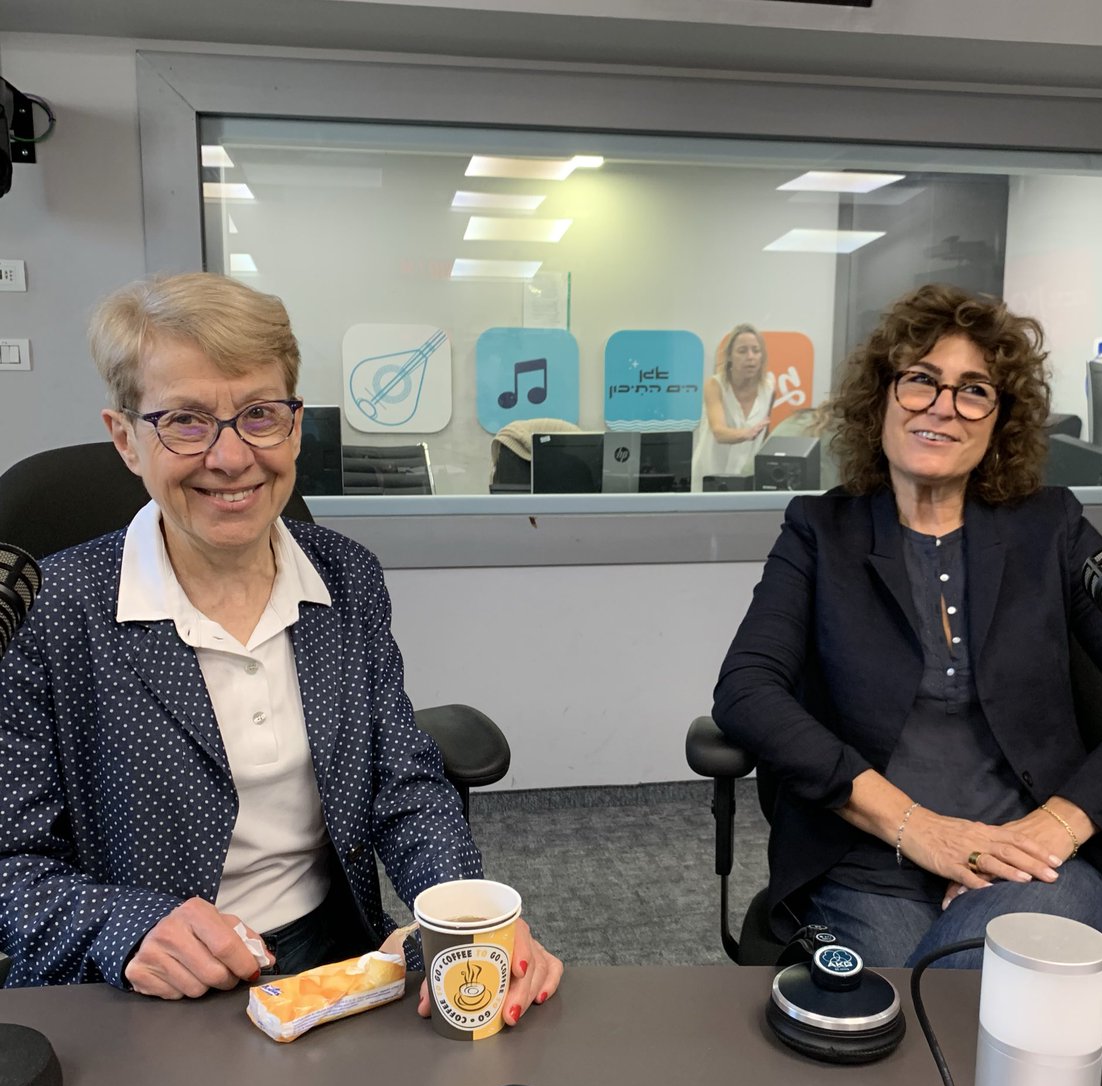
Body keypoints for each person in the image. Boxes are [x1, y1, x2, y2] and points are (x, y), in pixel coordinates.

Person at [0, 272, 563, 1020]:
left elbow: (403, 782)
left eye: (259, 415)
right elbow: (11, 866)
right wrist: (124, 927)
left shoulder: (345, 578)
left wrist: (463, 915)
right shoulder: (49, 611)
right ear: (126, 439)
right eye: (186, 422)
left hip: (331, 957)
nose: (232, 458)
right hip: (144, 981)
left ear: (294, 427)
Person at [712, 284, 1102, 968]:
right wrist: (919, 829)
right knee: (933, 995)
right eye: (921, 380)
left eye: (974, 391)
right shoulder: (820, 531)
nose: (943, 407)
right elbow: (747, 691)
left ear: (999, 420)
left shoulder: (1050, 529)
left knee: (928, 994)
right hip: (871, 862)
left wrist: (1055, 826)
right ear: (882, 397)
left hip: (1035, 860)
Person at [691, 324, 774, 488]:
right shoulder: (714, 385)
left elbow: (764, 434)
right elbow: (719, 432)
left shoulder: (769, 388)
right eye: (742, 351)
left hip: (745, 477)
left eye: (756, 351)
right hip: (709, 476)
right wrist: (746, 433)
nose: (750, 357)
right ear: (729, 355)